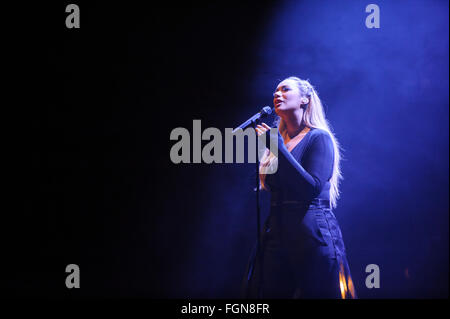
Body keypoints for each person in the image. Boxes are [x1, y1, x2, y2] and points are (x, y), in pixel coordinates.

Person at [242, 76, 357, 299]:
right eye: (275, 91)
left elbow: (310, 188)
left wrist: (277, 147)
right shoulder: (279, 140)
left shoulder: (319, 138)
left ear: (304, 99)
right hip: (276, 233)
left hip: (311, 235)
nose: (277, 94)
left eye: (285, 89)